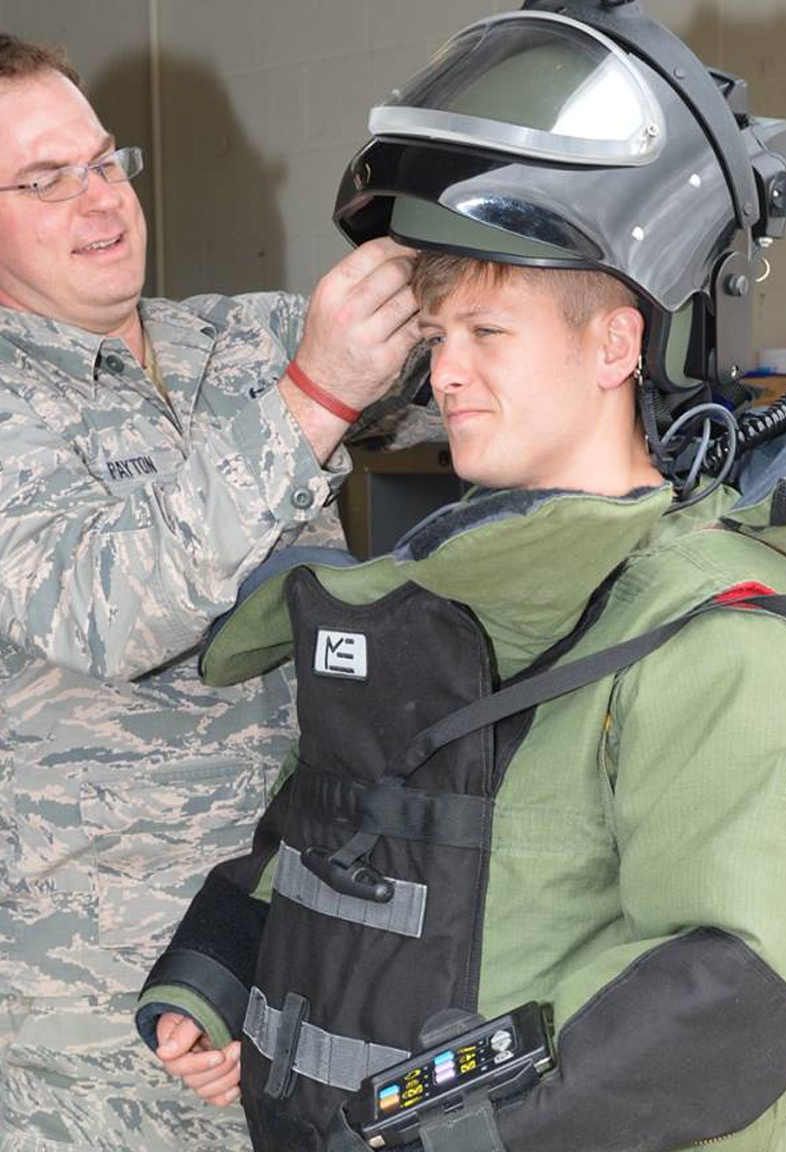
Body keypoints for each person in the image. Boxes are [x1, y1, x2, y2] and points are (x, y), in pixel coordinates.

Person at [136, 4, 786, 1148]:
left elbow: (737, 991)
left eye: (488, 335)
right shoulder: (437, 604)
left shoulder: (723, 645)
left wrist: (461, 1134)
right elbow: (334, 835)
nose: (443, 372)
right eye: (439, 334)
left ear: (614, 345)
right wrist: (219, 977)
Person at [0, 33, 420, 1152]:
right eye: (44, 180)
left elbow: (452, 360)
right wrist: (317, 395)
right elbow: (100, 607)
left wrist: (456, 246)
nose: (101, 200)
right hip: (98, 1036)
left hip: (312, 951)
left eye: (105, 161)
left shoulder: (237, 339)